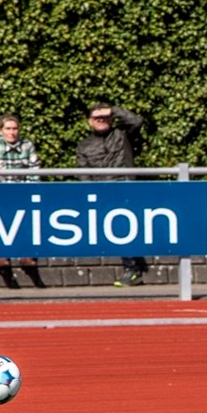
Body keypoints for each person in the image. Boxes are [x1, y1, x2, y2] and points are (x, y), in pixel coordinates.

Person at [77, 103, 148, 287]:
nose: (101, 120)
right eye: (97, 118)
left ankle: (132, 270)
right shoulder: (84, 145)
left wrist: (114, 111)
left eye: (105, 117)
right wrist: (93, 194)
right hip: (101, 192)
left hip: (124, 188)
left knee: (124, 227)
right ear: (90, 121)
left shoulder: (121, 135)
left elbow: (137, 121)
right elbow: (83, 173)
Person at [0, 113, 46, 289]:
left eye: (15, 128)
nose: (12, 132)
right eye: (8, 128)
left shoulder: (27, 145)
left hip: (22, 194)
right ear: (0, 130)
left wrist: (27, 191)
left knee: (31, 217)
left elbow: (35, 171)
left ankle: (28, 258)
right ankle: (2, 258)